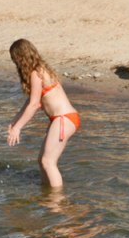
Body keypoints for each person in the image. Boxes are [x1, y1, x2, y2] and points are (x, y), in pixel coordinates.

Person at [6, 39, 80, 189]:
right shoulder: (39, 69)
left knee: (48, 162)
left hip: (64, 119)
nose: (15, 63)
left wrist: (18, 128)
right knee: (42, 161)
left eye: (15, 59)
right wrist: (15, 121)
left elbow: (34, 105)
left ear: (21, 56)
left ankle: (57, 200)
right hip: (61, 119)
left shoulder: (36, 73)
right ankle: (47, 194)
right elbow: (31, 101)